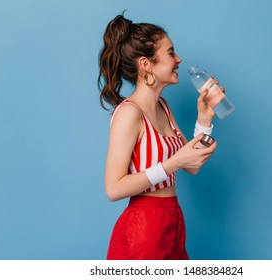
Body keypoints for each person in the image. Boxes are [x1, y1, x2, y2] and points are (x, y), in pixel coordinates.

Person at [98, 14, 223, 260]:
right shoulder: (128, 113)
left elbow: (192, 166)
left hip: (173, 220)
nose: (179, 59)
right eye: (171, 53)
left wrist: (204, 119)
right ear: (146, 63)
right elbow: (113, 189)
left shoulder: (162, 106)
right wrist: (171, 164)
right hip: (144, 228)